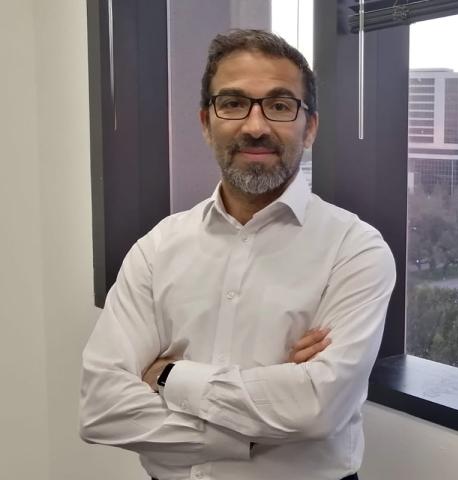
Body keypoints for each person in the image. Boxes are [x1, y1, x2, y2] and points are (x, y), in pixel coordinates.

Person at [80, 29, 396, 480]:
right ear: (206, 123)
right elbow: (102, 407)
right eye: (232, 104)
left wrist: (169, 378)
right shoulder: (157, 248)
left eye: (280, 105)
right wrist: (247, 434)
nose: (255, 126)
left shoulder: (356, 250)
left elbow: (316, 408)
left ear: (310, 128)